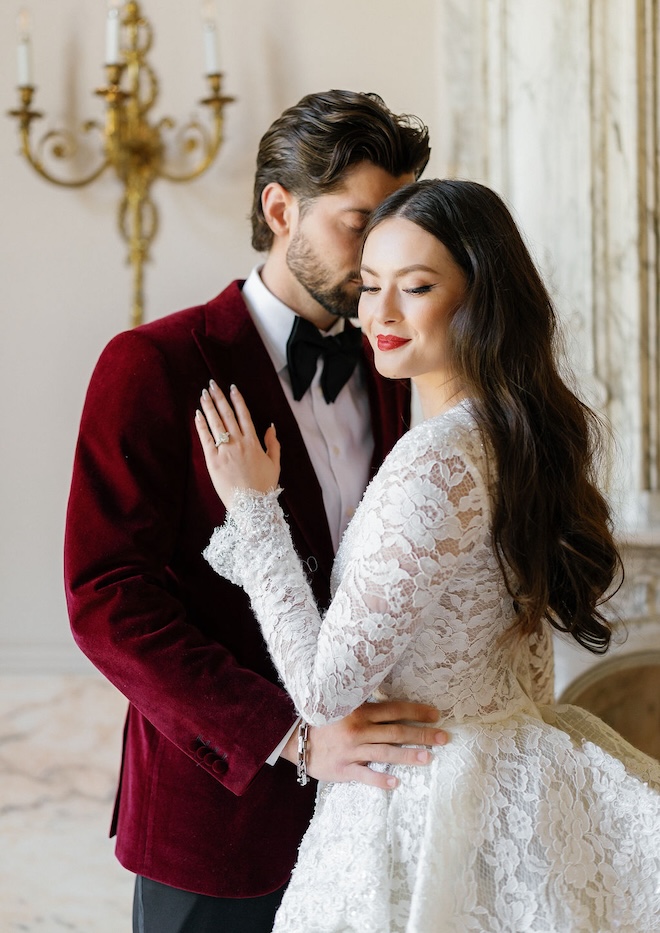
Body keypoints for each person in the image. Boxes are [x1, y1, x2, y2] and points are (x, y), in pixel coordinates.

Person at [197, 178, 660, 932]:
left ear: (480, 297)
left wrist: (255, 511)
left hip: (422, 801)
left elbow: (323, 694)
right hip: (505, 782)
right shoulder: (509, 436)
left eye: (415, 287)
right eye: (369, 284)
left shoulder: (439, 460)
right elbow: (524, 666)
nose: (378, 313)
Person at [64, 90, 445, 933]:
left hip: (367, 821)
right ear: (281, 210)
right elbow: (106, 600)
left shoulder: (392, 368)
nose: (379, 254)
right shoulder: (153, 365)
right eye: (359, 223)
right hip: (216, 822)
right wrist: (293, 737)